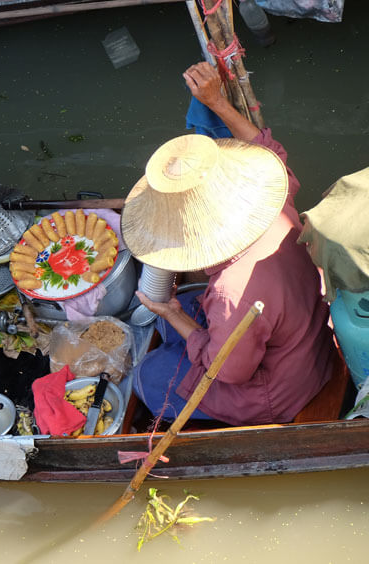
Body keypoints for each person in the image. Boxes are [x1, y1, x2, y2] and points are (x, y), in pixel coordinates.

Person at [125, 62, 335, 426]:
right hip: (303, 324)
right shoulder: (268, 202)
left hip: (281, 387)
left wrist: (171, 313)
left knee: (149, 375)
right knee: (188, 306)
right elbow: (267, 150)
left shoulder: (231, 292)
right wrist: (216, 102)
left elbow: (230, 373)